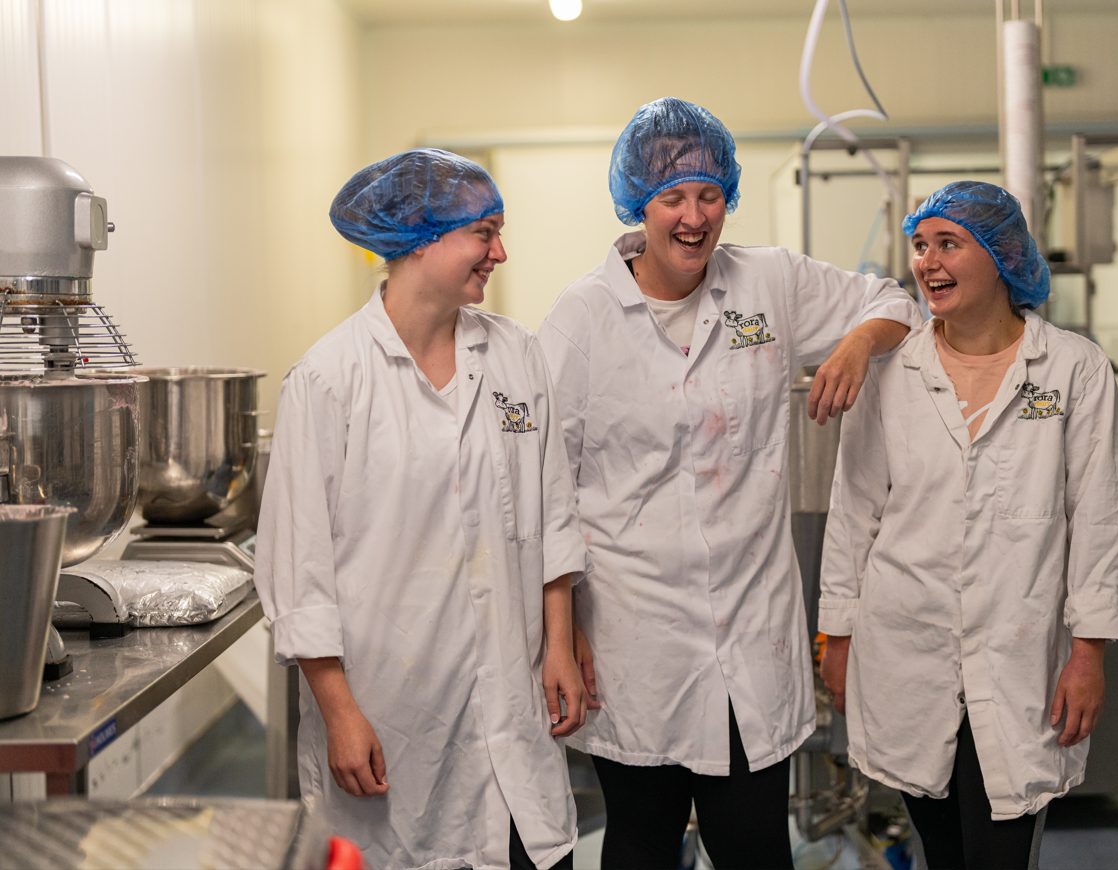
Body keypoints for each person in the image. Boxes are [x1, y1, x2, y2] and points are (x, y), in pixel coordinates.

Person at [537, 97, 921, 869]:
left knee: (752, 848)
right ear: (636, 205)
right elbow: (547, 488)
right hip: (630, 634)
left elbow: (893, 301)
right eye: (671, 198)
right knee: (641, 843)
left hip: (750, 631)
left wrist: (851, 348)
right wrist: (560, 632)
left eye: (708, 195)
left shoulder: (766, 282)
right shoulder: (581, 319)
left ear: (728, 198)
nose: (692, 217)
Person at [254, 149, 591, 870]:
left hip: (511, 713)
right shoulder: (328, 380)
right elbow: (296, 573)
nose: (499, 252)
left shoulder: (516, 357)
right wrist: (340, 713)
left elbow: (551, 513)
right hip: (391, 719)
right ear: (419, 238)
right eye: (484, 233)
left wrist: (558, 643)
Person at [818, 181, 1118, 870]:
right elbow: (853, 511)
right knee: (940, 845)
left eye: (948, 245)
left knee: (1000, 845)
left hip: (1017, 653)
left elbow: (1100, 517)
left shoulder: (1074, 370)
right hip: (905, 646)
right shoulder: (891, 372)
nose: (928, 262)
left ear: (1000, 255)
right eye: (920, 247)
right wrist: (835, 636)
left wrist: (1089, 653)